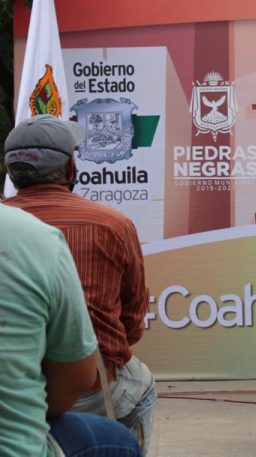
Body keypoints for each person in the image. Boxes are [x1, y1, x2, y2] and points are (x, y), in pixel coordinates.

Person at [3, 114, 156, 451]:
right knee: (143, 386)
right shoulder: (113, 224)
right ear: (71, 170)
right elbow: (130, 322)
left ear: (11, 174)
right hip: (89, 389)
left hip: (14, 388)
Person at [0, 201, 142, 456]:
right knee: (121, 434)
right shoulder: (33, 234)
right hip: (84, 389)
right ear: (70, 171)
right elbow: (74, 381)